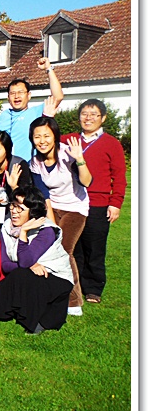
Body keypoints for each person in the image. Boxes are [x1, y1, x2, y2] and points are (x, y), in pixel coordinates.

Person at [0, 186, 74, 335]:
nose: (14, 211)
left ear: (33, 212)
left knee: (23, 276)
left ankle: (39, 321)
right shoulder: (7, 227)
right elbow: (5, 264)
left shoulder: (46, 231)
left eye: (20, 208)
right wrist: (30, 266)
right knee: (12, 280)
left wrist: (23, 233)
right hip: (29, 274)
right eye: (13, 205)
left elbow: (25, 261)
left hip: (55, 276)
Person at [62, 99, 127, 304]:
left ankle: (93, 288)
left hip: (97, 203)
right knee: (74, 246)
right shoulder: (69, 140)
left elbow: (119, 176)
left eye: (93, 114)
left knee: (94, 247)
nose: (88, 118)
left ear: (103, 118)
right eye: (84, 114)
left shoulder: (111, 143)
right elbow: (47, 138)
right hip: (72, 201)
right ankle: (76, 285)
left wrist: (115, 203)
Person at [29, 116, 92, 317]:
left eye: (46, 136)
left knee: (64, 249)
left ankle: (74, 301)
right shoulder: (35, 162)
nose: (42, 141)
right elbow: (44, 195)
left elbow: (87, 182)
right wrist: (51, 224)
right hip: (52, 206)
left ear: (55, 136)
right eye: (37, 137)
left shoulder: (67, 154)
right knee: (47, 246)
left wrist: (80, 159)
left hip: (75, 207)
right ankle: (50, 292)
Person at [0, 57, 63, 161]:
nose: (16, 96)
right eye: (13, 93)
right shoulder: (3, 116)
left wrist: (49, 69)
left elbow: (58, 97)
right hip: (7, 166)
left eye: (21, 92)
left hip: (30, 165)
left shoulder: (37, 112)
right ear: (8, 98)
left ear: (29, 95)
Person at [0, 130, 32, 229]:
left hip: (16, 211)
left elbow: (27, 197)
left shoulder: (18, 165)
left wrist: (14, 187)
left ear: (6, 150)